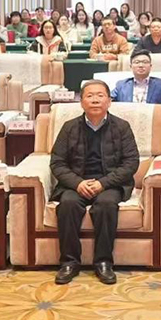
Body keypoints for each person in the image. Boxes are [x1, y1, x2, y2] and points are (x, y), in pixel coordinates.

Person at [51, 81, 140, 285]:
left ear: (109, 101)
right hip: (76, 183)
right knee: (68, 204)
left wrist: (103, 183)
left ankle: (103, 262)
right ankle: (69, 262)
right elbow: (57, 162)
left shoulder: (122, 127)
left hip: (109, 184)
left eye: (100, 96)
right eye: (89, 96)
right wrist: (77, 183)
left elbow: (131, 163)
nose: (95, 100)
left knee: (106, 205)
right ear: (81, 102)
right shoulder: (69, 127)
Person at [110, 49, 161, 113]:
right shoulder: (121, 85)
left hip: (153, 122)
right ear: (131, 66)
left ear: (150, 66)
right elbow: (107, 101)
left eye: (145, 62)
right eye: (137, 62)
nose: (141, 65)